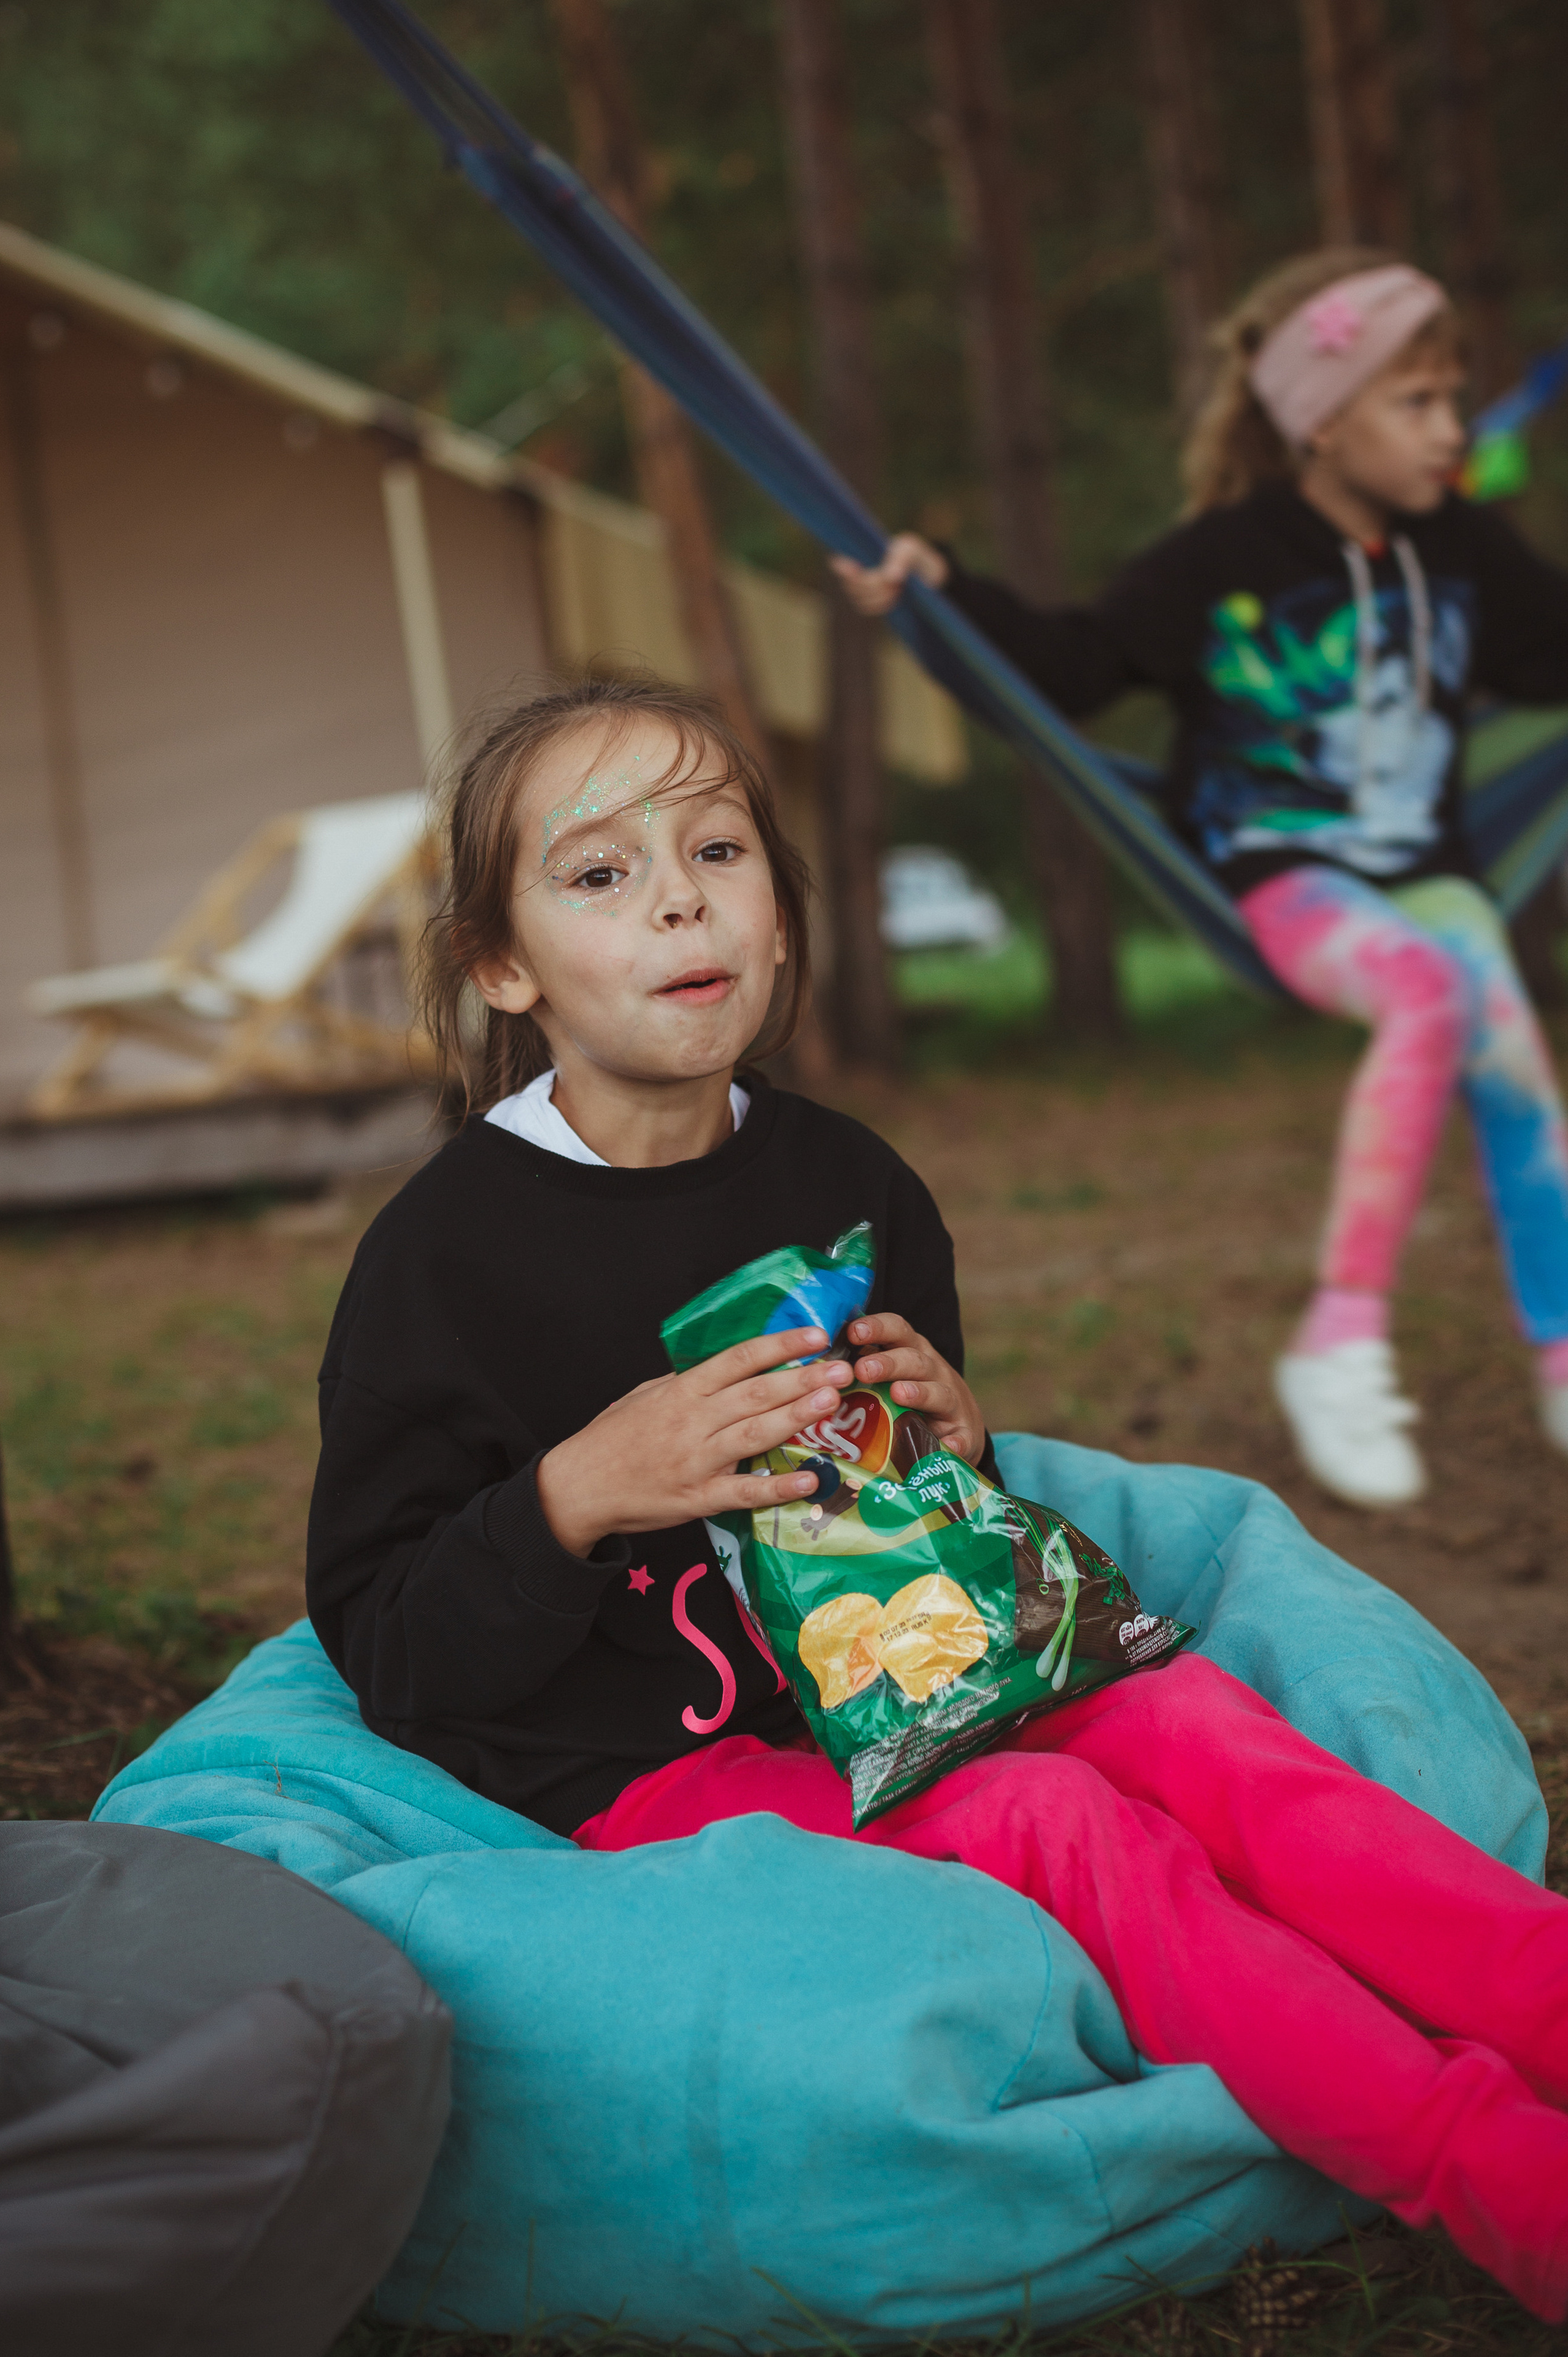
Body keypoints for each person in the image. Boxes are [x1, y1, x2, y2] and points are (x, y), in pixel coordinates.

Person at [308, 674, 1568, 2321]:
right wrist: (573, 1494)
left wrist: (948, 1432)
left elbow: (922, 1497)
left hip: (926, 1667)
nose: (681, 896)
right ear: (503, 963)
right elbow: (390, 1639)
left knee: (1196, 1729)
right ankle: (1490, 2172)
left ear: (776, 905)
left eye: (717, 848)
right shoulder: (443, 1261)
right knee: (1061, 1825)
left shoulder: (847, 1179)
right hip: (665, 1764)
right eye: (600, 873)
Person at [836, 250, 1568, 1512]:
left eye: (1454, 401)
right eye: (1418, 403)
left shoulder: (1458, 549)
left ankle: (1559, 1349)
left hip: (1432, 871)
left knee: (1508, 1053)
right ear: (1322, 419)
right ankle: (1338, 1339)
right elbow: (1069, 664)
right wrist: (943, 595)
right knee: (1423, 995)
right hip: (1282, 874)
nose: (1450, 431)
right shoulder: (1219, 558)